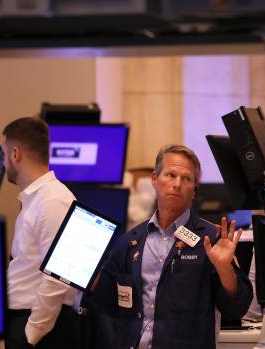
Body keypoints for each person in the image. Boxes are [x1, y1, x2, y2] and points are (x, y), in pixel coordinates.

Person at [89, 144, 253, 349]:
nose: (177, 184)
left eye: (186, 179)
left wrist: (224, 268)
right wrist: (81, 266)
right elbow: (105, 303)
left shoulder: (212, 239)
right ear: (154, 179)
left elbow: (236, 309)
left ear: (194, 190)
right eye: (170, 175)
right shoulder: (130, 241)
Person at [2, 117, 79, 349]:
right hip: (26, 320)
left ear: (15, 154)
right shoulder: (37, 198)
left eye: (3, 155)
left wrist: (30, 335)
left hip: (42, 330)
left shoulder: (52, 200)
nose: (3, 162)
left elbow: (58, 279)